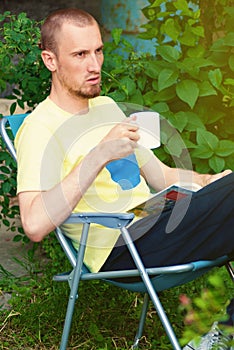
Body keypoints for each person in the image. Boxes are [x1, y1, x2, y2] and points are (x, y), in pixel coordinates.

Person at [14, 8, 233, 350]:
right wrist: (99, 154)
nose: (94, 65)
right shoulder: (40, 128)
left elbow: (163, 175)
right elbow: (34, 223)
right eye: (80, 54)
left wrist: (212, 181)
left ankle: (226, 334)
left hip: (159, 217)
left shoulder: (106, 107)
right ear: (50, 60)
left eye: (98, 50)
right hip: (126, 246)